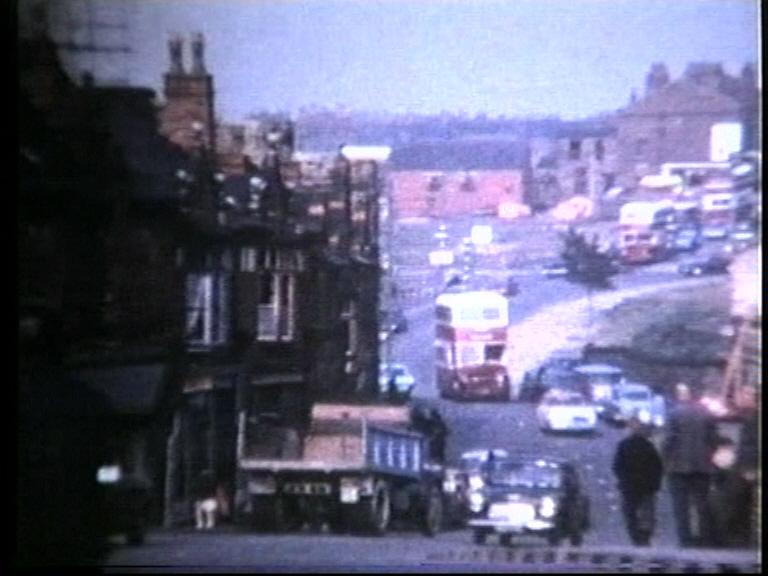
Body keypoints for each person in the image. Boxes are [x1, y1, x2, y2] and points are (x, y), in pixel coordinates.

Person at [661, 383, 719, 547]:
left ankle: (685, 540)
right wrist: (709, 455)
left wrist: (665, 459)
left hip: (678, 467)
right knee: (702, 504)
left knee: (681, 506)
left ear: (681, 395)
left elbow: (668, 441)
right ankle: (706, 539)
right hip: (702, 466)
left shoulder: (673, 414)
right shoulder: (707, 414)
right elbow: (714, 439)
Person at [612, 412, 664, 546]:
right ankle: (645, 536)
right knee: (647, 512)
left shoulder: (624, 445)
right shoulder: (648, 445)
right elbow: (657, 466)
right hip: (647, 485)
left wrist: (622, 479)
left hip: (629, 485)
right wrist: (655, 483)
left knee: (630, 512)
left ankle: (635, 536)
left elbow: (617, 466)